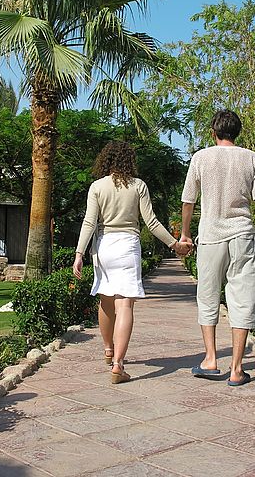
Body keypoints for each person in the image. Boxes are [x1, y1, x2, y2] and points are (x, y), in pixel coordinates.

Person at [73, 141, 191, 384]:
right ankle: (118, 365)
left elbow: (89, 222)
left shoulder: (97, 187)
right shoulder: (138, 186)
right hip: (128, 246)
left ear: (105, 160)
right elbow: (152, 223)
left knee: (106, 300)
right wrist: (175, 245)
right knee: (124, 304)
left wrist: (79, 254)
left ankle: (108, 349)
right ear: (129, 160)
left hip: (103, 246)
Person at [180, 109, 255, 386]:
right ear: (237, 132)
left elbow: (188, 201)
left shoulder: (201, 158)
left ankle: (211, 359)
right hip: (242, 236)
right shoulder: (251, 158)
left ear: (213, 132)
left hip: (210, 237)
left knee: (208, 296)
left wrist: (186, 234)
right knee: (243, 297)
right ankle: (237, 369)